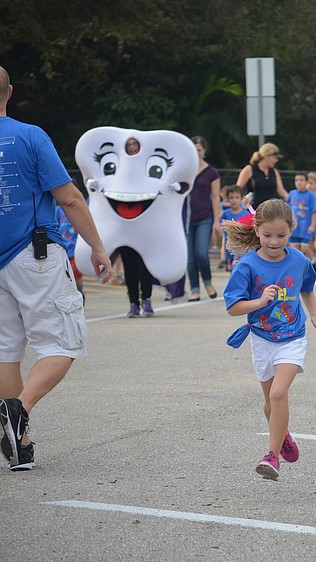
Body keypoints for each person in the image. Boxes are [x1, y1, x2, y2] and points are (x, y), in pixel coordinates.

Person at [0, 65, 112, 471]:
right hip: (33, 255)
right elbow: (70, 199)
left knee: (5, 350)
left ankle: (20, 443)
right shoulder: (30, 136)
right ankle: (21, 407)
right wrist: (96, 246)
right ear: (9, 91)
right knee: (63, 343)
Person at [222, 199, 316, 480]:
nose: (274, 241)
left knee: (279, 394)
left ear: (291, 230)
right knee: (269, 402)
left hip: (292, 337)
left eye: (281, 235)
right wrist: (259, 301)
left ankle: (272, 456)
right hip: (262, 338)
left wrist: (314, 315)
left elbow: (307, 288)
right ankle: (284, 435)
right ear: (257, 230)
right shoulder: (247, 265)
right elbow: (233, 308)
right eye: (268, 235)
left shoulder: (299, 260)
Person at [115, 137, 156, 316]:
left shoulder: (148, 169)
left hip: (145, 226)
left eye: (134, 144)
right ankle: (133, 303)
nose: (132, 148)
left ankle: (146, 298)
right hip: (125, 226)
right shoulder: (119, 172)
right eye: (129, 145)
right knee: (129, 267)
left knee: (145, 266)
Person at [186, 136, 221, 302]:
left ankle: (207, 282)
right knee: (190, 257)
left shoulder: (212, 172)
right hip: (186, 218)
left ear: (204, 151)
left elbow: (216, 197)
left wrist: (217, 221)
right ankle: (194, 289)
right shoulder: (184, 170)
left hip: (204, 217)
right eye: (193, 150)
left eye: (199, 150)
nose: (196, 153)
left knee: (201, 252)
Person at [236, 143, 287, 209]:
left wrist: (292, 197)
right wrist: (243, 198)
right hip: (253, 209)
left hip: (270, 209)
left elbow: (281, 191)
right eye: (275, 158)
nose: (276, 160)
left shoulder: (274, 172)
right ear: (267, 156)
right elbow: (237, 188)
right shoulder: (249, 169)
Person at [287, 173, 316, 264]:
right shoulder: (292, 193)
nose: (299, 182)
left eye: (301, 180)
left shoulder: (310, 195)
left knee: (304, 247)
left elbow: (314, 211)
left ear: (306, 182)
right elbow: (287, 209)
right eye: (297, 180)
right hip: (294, 227)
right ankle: (299, 266)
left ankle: (312, 261)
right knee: (295, 248)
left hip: (305, 226)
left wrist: (312, 225)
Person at [220, 185, 250, 271]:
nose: (234, 200)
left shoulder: (246, 214)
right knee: (231, 269)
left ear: (241, 198)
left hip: (242, 246)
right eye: (231, 198)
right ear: (227, 199)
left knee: (241, 267)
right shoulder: (225, 214)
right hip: (229, 246)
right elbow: (221, 226)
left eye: (237, 198)